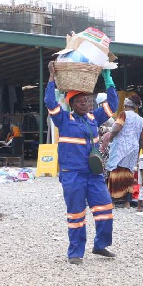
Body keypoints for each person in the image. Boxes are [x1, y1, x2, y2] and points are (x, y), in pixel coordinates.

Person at [45, 61, 119, 264]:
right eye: (80, 101)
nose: (85, 103)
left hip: (93, 175)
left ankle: (101, 245)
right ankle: (75, 252)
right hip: (72, 175)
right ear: (71, 103)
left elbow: (112, 104)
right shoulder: (63, 119)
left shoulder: (94, 117)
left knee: (105, 210)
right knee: (76, 214)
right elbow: (49, 101)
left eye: (87, 100)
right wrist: (51, 77)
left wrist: (107, 77)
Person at [106, 94, 143, 209]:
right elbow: (141, 138)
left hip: (121, 148)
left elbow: (117, 128)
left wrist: (111, 136)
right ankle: (127, 202)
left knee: (115, 172)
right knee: (129, 174)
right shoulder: (141, 119)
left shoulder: (123, 114)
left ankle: (112, 201)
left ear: (125, 104)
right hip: (134, 148)